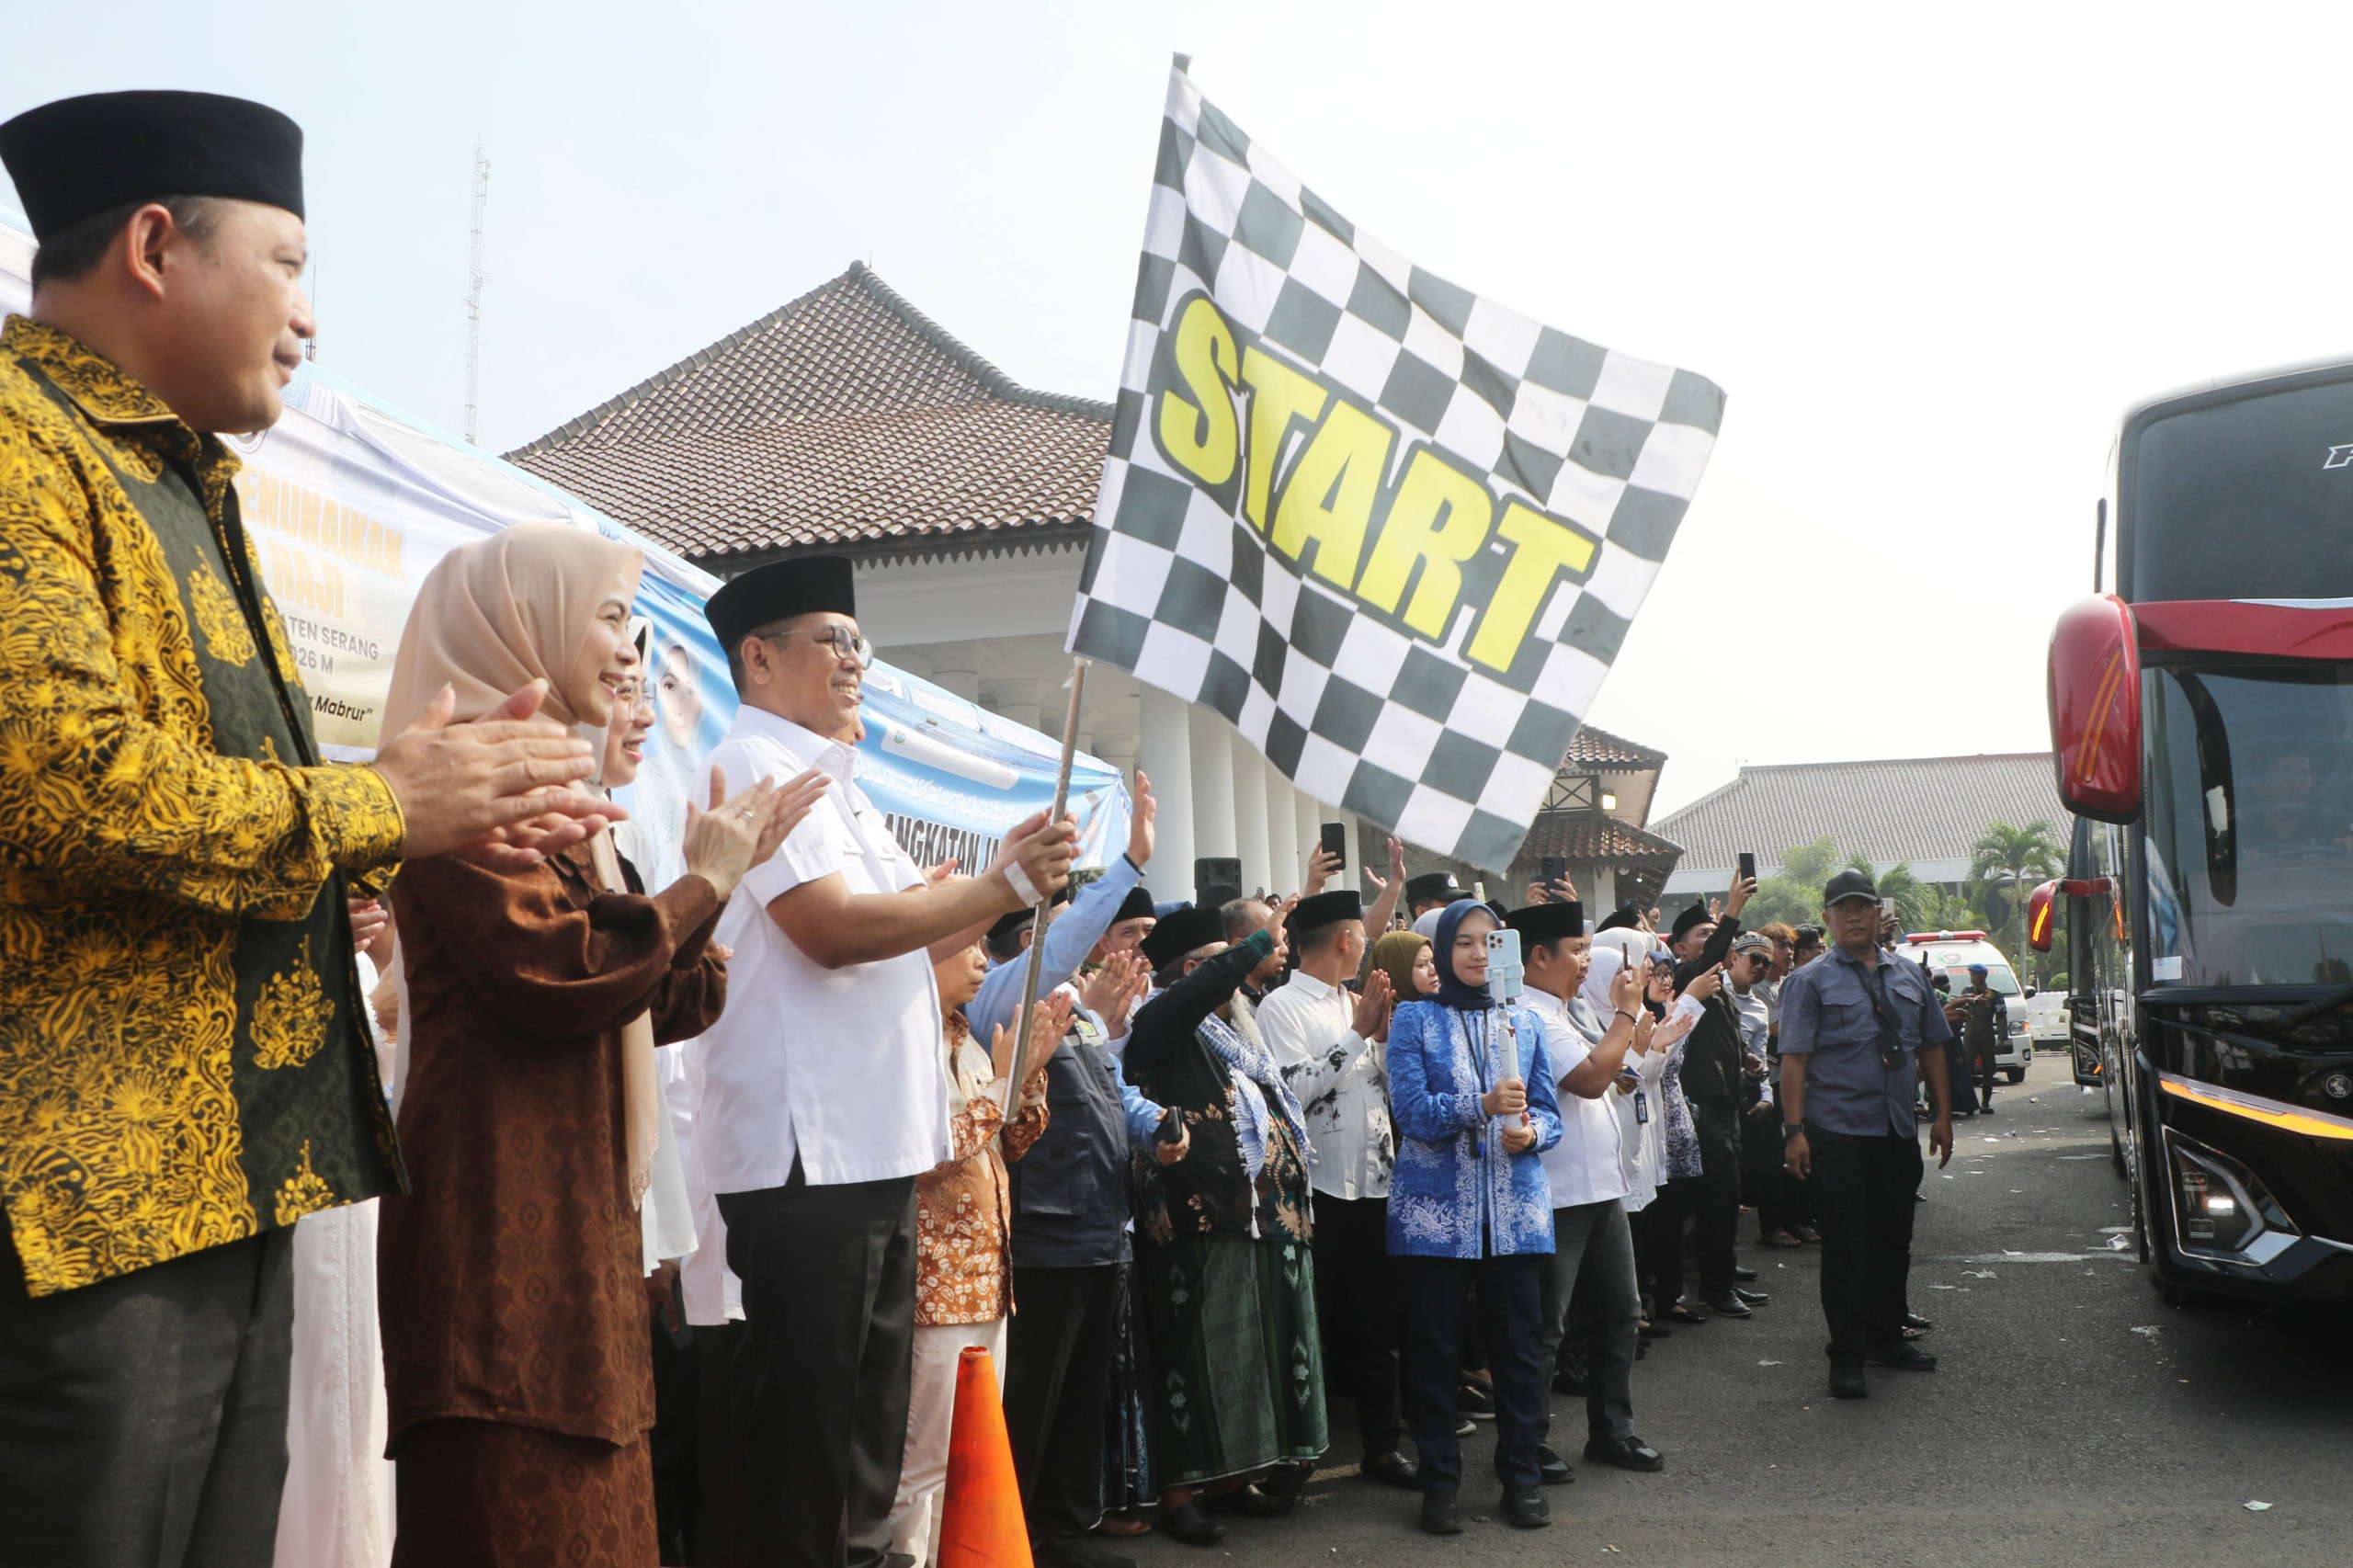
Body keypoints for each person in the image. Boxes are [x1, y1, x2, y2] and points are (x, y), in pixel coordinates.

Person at [0, 91, 624, 1566]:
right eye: (289, 267)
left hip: (223, 1174)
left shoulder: (174, 476)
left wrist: (398, 799)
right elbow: (70, 783)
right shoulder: (23, 448)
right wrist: (387, 802)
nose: (309, 322)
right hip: (85, 1196)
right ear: (157, 245)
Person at [377, 527, 814, 1566]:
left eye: (632, 622)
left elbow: (663, 997)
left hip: (579, 1237)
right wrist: (704, 881)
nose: (627, 650)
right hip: (497, 1238)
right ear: (516, 620)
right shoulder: (460, 786)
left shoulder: (578, 813)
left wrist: (719, 876)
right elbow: (563, 973)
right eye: (609, 615)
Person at [689, 555, 1077, 1568]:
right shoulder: (756, 771)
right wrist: (998, 887)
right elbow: (831, 928)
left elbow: (909, 922)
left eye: (860, 641)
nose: (855, 658)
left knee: (864, 1439)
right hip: (807, 1155)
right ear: (759, 656)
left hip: (877, 1147)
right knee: (810, 1450)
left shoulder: (837, 787)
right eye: (833, 638)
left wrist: (989, 876)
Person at [988, 779, 1182, 1568]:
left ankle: (1069, 1526)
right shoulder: (1007, 999)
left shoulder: (1073, 1007)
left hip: (1102, 1231)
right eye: (1052, 925)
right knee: (1031, 1398)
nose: (1070, 937)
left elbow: (1113, 1091)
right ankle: (1023, 1533)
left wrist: (1152, 1130)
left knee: (1079, 1394)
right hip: (1045, 1235)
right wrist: (1131, 860)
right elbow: (1064, 945)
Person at [1124, 908, 1323, 1542]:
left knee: (1249, 1356)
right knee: (1194, 1354)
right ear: (1191, 971)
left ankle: (1234, 1479)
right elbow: (1190, 997)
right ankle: (1181, 1492)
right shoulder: (1158, 1023)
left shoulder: (1235, 1032)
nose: (1235, 975)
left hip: (1263, 1218)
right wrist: (1261, 939)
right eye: (1221, 961)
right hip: (1194, 1219)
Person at [1386, 901, 1562, 1534]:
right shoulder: (1415, 1019)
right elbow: (1413, 1112)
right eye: (1462, 942)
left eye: (1490, 942)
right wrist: (1482, 1105)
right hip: (1433, 1218)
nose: (1477, 954)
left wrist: (1531, 1133)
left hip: (1515, 1214)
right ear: (1443, 949)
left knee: (1517, 1353)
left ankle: (1522, 1477)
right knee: (1433, 1354)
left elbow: (1550, 1113)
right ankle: (1439, 1485)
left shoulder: (1526, 1021)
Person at [887, 949, 1062, 1567]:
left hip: (988, 1278)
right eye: (964, 943)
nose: (983, 958)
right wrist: (999, 1084)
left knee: (970, 1450)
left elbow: (1009, 1142)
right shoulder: (905, 1041)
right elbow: (930, 1151)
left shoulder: (968, 1041)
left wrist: (1028, 1074)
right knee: (922, 1460)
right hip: (937, 1283)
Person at [1255, 891, 1413, 1488]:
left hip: (1376, 1185)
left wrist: (1386, 1037)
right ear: (1345, 939)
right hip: (1315, 1192)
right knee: (1309, 1329)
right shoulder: (1282, 1007)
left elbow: (1387, 1093)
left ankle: (1381, 1447)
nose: (1367, 944)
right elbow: (1291, 1093)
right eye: (1361, 935)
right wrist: (1356, 1034)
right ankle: (1293, 1460)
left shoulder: (1359, 1000)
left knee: (1379, 1329)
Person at [1779, 870, 1956, 1400]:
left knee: (1893, 1240)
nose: (1855, 915)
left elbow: (1932, 1046)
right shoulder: (1808, 982)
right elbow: (1794, 1061)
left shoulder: (1908, 975)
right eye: (1843, 908)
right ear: (1830, 917)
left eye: (1864, 906)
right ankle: (1847, 1355)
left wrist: (1943, 1116)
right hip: (1837, 1131)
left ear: (1879, 912)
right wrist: (1794, 1132)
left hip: (1896, 1126)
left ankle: (1886, 1337)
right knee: (1846, 1246)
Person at [1506, 903, 1663, 1483]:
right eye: (1575, 950)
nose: (1584, 962)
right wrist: (1626, 1014)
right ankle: (1532, 1439)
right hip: (1558, 1192)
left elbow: (1609, 1073)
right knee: (1549, 1326)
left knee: (1620, 1313)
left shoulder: (1563, 1011)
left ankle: (1612, 1430)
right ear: (1538, 957)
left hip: (1600, 1188)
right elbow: (1592, 1078)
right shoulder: (1530, 1015)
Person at [1668, 877, 1764, 1320]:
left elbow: (1721, 1036)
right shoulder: (1689, 976)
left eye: (1714, 932)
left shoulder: (1719, 985)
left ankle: (1723, 1273)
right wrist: (1731, 912)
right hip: (1704, 1109)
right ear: (1681, 948)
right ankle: (1715, 1287)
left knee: (1729, 1198)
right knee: (1716, 1199)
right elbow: (1709, 958)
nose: (1712, 941)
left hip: (1728, 1104)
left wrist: (1744, 1060)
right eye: (1701, 935)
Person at [1959, 964, 2006, 1115]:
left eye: (1975, 975)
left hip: (1986, 1037)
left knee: (1988, 1070)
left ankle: (1985, 1103)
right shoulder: (1967, 993)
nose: (1972, 977)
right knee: (1966, 1070)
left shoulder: (1994, 995)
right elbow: (1959, 1008)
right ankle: (1967, 1103)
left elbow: (2001, 1017)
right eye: (1971, 975)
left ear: (1983, 976)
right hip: (1970, 1037)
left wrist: (2001, 1039)